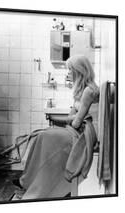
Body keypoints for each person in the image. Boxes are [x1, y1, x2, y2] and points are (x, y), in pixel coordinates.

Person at [13, 55, 99, 199]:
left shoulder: (89, 91)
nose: (68, 73)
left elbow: (76, 122)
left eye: (70, 70)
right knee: (40, 136)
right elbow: (72, 117)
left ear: (79, 71)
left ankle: (34, 184)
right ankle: (27, 180)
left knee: (45, 137)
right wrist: (66, 119)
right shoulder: (80, 90)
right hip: (75, 130)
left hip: (83, 135)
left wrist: (67, 119)